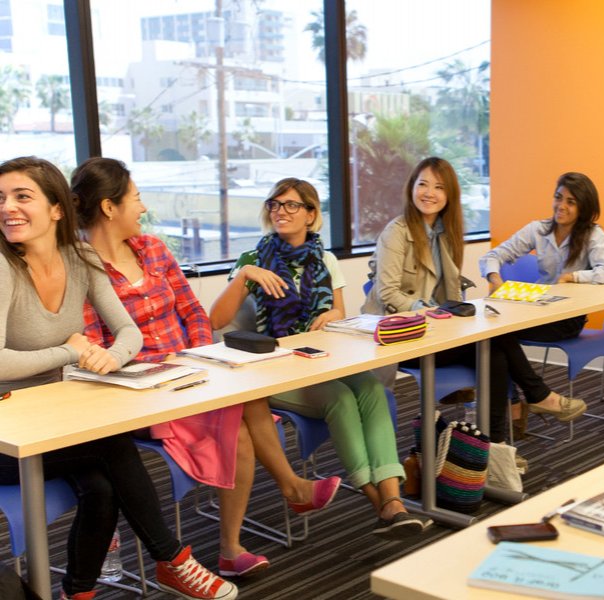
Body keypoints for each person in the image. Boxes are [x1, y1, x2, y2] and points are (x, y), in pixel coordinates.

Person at [73, 157, 338, 577]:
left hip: (190, 370)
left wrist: (202, 356)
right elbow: (99, 347)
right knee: (243, 424)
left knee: (246, 392)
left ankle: (256, 524)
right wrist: (179, 368)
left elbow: (194, 312)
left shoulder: (155, 249)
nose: (142, 209)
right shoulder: (81, 268)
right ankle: (253, 527)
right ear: (110, 207)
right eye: (137, 199)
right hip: (139, 390)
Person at [0, 156, 237, 600]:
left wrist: (112, 356)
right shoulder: (2, 266)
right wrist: (72, 349)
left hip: (52, 418)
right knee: (114, 445)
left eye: (22, 196)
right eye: (1, 198)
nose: (7, 207)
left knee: (104, 488)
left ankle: (80, 593)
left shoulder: (80, 257)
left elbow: (127, 330)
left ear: (56, 209)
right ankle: (173, 560)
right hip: (7, 434)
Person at [209, 177, 430, 539]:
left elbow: (339, 314)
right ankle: (381, 503)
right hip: (273, 371)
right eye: (275, 205)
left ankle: (394, 500)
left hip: (320, 360)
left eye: (291, 205)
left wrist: (331, 317)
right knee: (341, 399)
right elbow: (215, 321)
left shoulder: (324, 259)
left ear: (311, 214)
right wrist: (246, 276)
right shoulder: (253, 259)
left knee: (373, 391)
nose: (281, 212)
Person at [364, 158, 590, 444]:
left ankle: (494, 446)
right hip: (405, 336)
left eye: (438, 187)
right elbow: (388, 294)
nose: (429, 193)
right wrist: (434, 313)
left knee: (493, 346)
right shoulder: (396, 233)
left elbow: (452, 293)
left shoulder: (445, 233)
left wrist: (461, 318)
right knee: (494, 345)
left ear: (449, 196)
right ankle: (535, 400)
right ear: (411, 188)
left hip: (439, 332)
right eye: (422, 184)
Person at [478, 171, 604, 433]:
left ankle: (525, 401)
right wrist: (494, 277)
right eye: (558, 198)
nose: (561, 206)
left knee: (497, 334)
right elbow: (493, 256)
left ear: (584, 207)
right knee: (494, 334)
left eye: (570, 202)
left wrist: (573, 276)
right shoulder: (538, 230)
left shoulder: (593, 235)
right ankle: (534, 399)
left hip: (566, 319)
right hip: (534, 311)